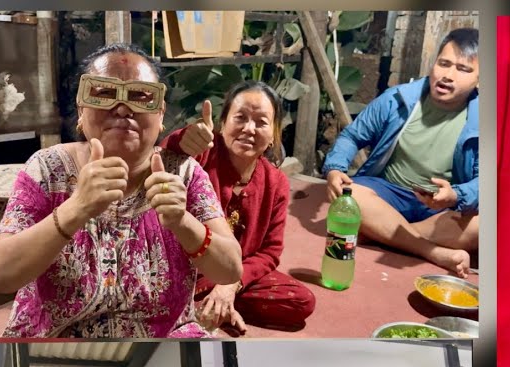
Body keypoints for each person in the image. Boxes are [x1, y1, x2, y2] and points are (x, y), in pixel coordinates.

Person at [0, 43, 243, 338]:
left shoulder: (184, 174)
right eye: (104, 93)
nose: (122, 108)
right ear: (81, 111)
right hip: (54, 338)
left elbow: (231, 269)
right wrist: (76, 208)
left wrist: (183, 222)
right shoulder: (47, 168)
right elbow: (0, 275)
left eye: (140, 96)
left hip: (163, 337)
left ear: (160, 115)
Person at [322, 28, 479, 278]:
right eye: (444, 63)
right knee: (349, 196)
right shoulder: (398, 99)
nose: (448, 75)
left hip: (440, 209)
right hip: (388, 192)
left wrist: (455, 195)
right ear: (433, 63)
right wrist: (335, 168)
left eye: (463, 69)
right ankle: (431, 251)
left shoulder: (485, 121)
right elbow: (352, 136)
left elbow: (487, 183)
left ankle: (382, 232)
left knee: (485, 225)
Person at [163, 82, 316, 334]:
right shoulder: (200, 157)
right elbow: (169, 153)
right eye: (240, 118)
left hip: (234, 274)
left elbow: (270, 252)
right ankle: (205, 305)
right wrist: (185, 138)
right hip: (184, 271)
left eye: (261, 122)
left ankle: (211, 305)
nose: (249, 129)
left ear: (274, 135)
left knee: (300, 300)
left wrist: (230, 285)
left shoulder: (276, 183)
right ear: (222, 124)